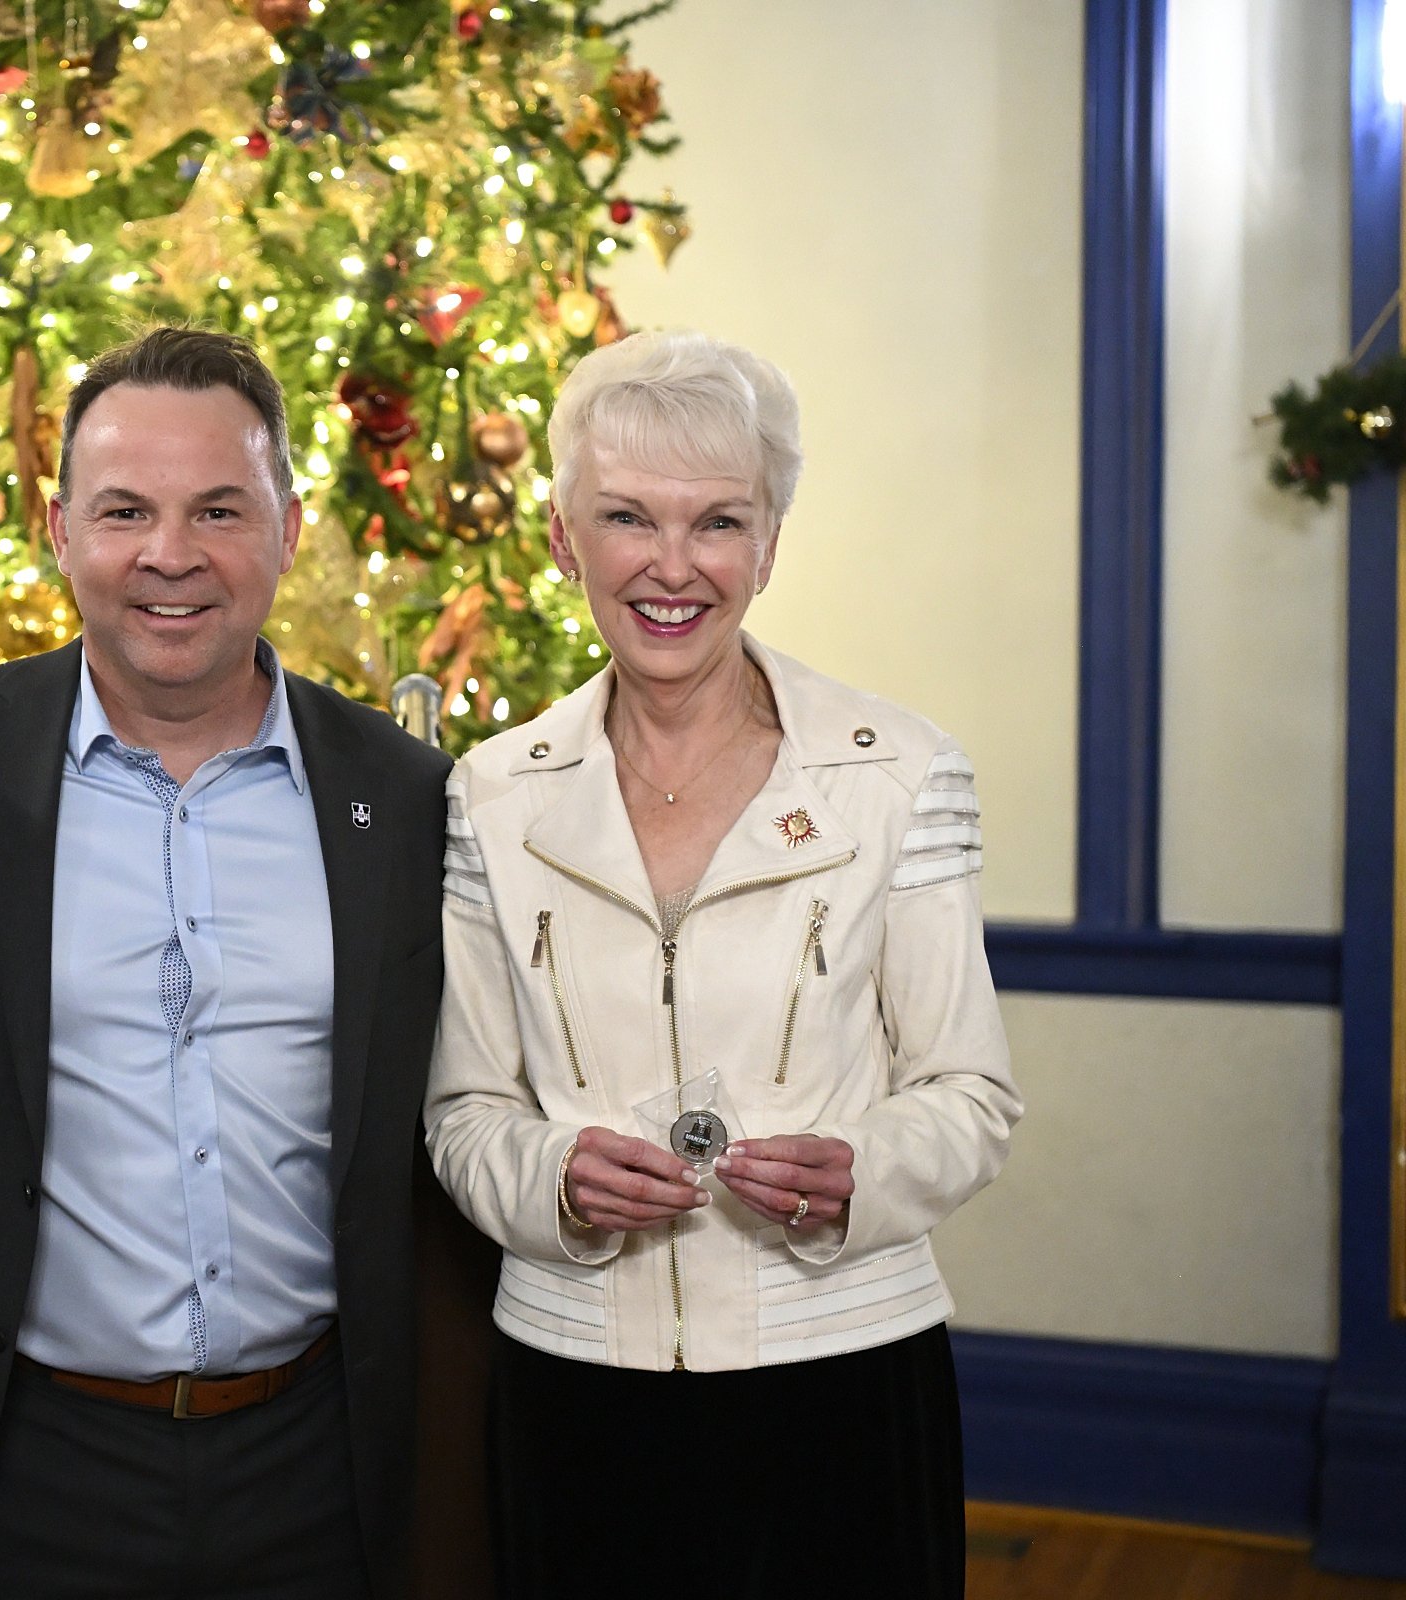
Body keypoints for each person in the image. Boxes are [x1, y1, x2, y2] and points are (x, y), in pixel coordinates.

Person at [0, 327, 451, 1599]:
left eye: (219, 509)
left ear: (289, 528)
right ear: (59, 530)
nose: (171, 554)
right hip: (23, 1469)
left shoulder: (403, 796)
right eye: (125, 511)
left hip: (317, 1467)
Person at [424, 330, 1021, 1597]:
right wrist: (556, 1179)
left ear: (770, 545)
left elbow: (970, 1095)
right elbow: (465, 1112)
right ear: (562, 537)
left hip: (843, 1379)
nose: (673, 565)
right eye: (627, 518)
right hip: (574, 1389)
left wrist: (861, 1172)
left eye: (719, 522)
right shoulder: (490, 795)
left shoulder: (898, 775)